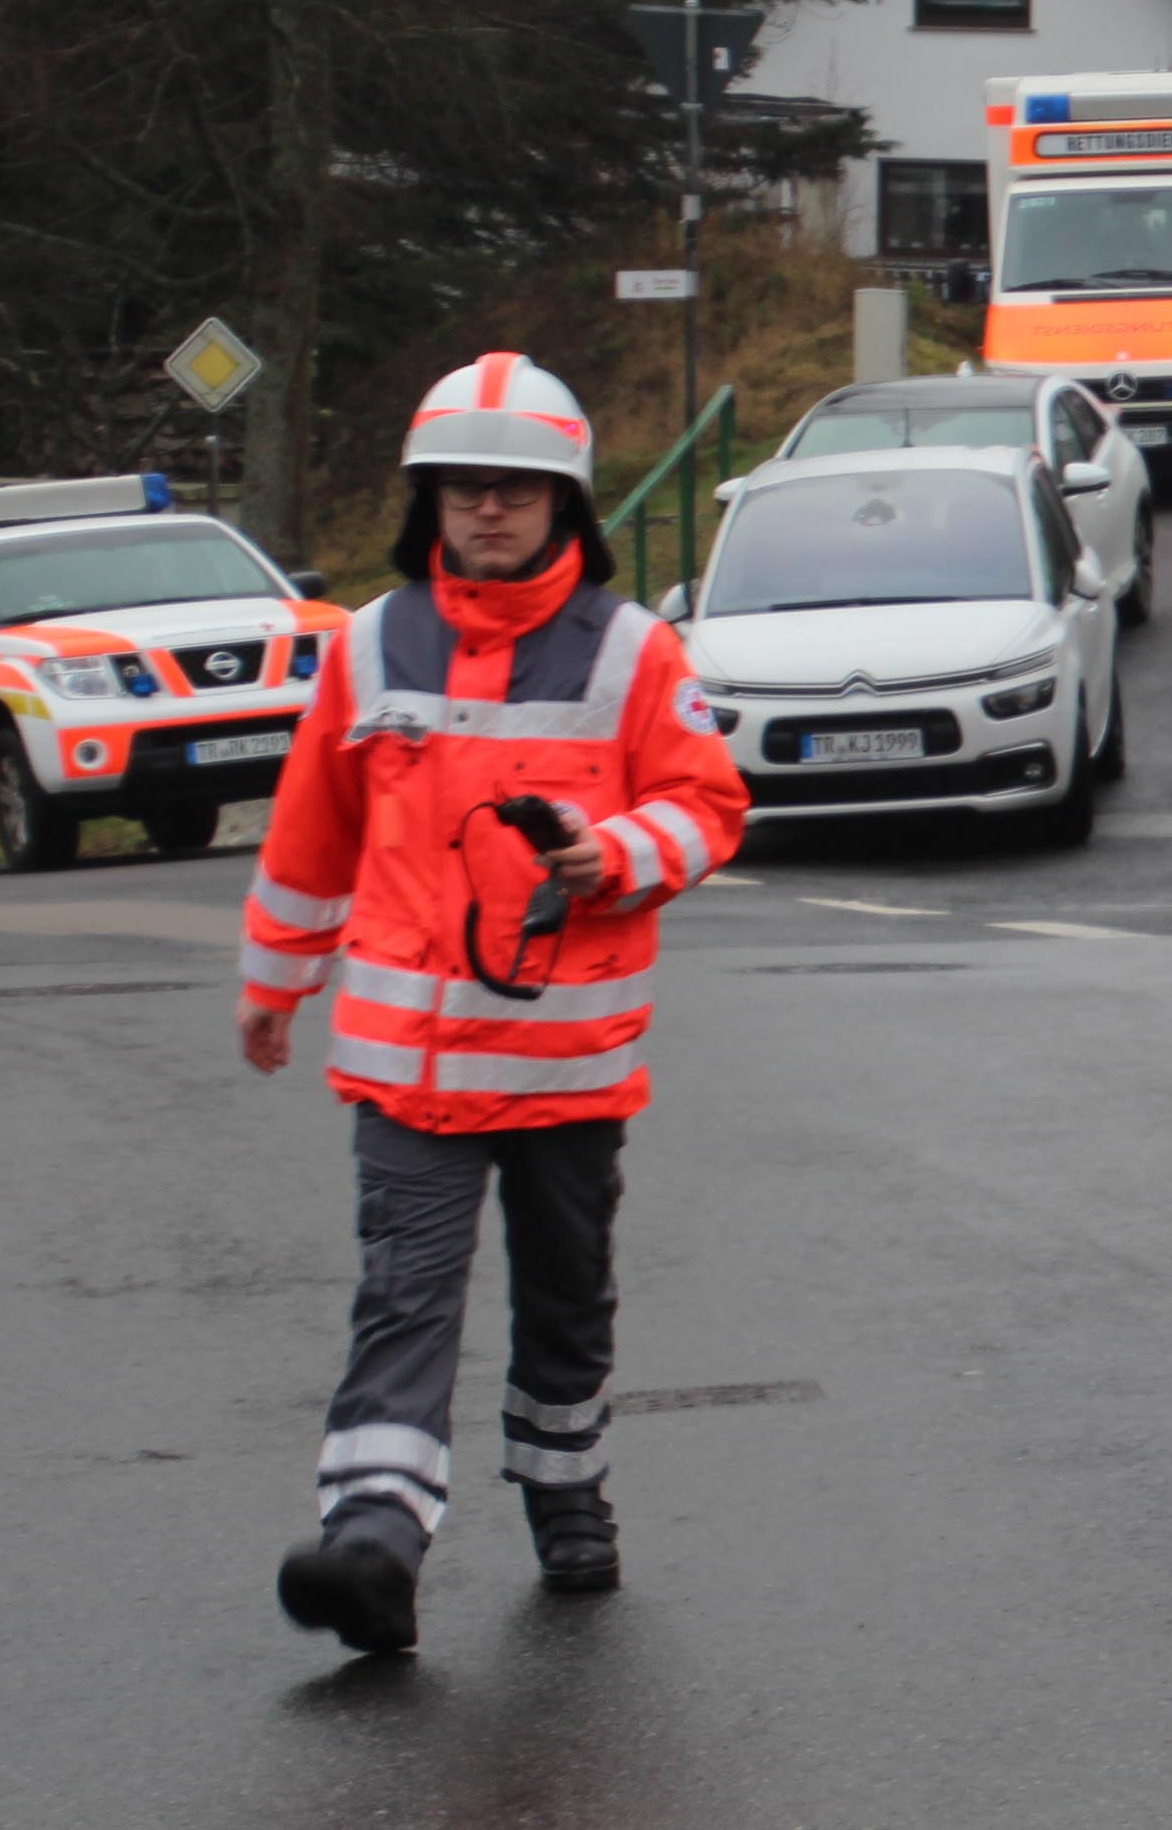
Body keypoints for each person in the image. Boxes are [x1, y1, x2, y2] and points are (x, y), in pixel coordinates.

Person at [238, 352, 747, 1657]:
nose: (489, 508)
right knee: (402, 1299)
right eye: (465, 486)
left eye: (516, 488)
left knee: (564, 1295)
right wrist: (274, 982)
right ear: (430, 499)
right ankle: (373, 1543)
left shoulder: (631, 650)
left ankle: (565, 1494)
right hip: (406, 1073)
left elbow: (706, 805)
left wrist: (610, 854)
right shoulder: (367, 644)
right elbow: (309, 833)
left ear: (563, 500)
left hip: (565, 1066)